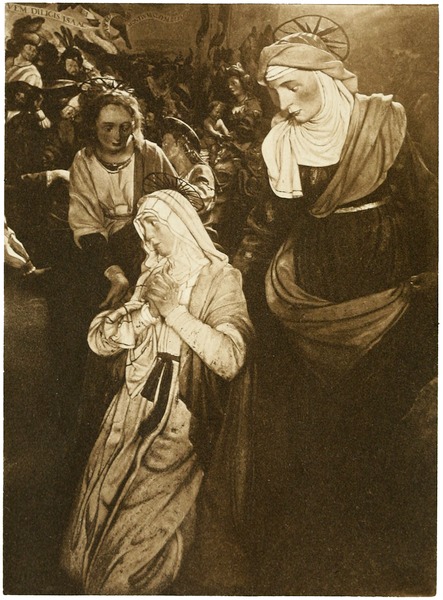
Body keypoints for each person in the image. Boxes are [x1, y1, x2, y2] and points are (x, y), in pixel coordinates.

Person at [234, 32, 437, 594]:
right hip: (313, 282)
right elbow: (270, 219)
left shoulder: (384, 123)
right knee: (311, 413)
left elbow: (427, 200)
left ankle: (382, 529)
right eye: (275, 93)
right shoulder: (283, 140)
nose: (285, 105)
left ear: (323, 79)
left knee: (379, 406)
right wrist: (240, 269)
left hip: (386, 276)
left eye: (292, 88)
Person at [61, 188, 255, 594]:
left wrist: (173, 312)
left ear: (180, 225)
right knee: (88, 530)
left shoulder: (220, 279)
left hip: (179, 418)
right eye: (141, 228)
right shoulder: (152, 276)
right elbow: (100, 341)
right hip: (129, 407)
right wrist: (146, 313)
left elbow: (231, 358)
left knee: (135, 540)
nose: (147, 237)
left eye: (153, 225)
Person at [68, 87, 176, 312]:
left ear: (134, 125)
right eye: (108, 127)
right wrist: (115, 273)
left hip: (149, 239)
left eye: (124, 127)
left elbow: (174, 199)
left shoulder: (150, 153)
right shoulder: (84, 160)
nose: (117, 136)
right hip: (101, 244)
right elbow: (86, 223)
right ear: (94, 126)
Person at [161, 116, 217, 240]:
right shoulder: (173, 175)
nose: (162, 148)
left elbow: (202, 200)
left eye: (166, 143)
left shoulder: (201, 170)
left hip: (198, 235)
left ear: (179, 144)